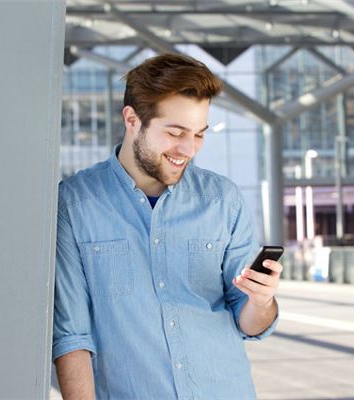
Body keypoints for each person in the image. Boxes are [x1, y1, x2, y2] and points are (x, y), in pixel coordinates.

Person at [53, 53, 282, 400]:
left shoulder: (222, 200)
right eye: (175, 133)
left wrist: (262, 301)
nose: (188, 149)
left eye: (199, 134)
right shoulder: (75, 204)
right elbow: (72, 336)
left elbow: (249, 323)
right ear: (132, 120)